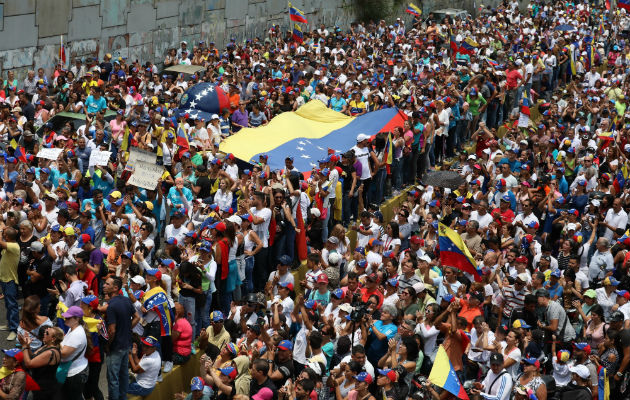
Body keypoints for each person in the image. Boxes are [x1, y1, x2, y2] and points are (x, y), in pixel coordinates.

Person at [105, 276, 139, 400]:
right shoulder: (126, 300)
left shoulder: (111, 306)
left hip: (116, 347)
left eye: (107, 284)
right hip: (126, 344)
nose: (104, 286)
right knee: (123, 374)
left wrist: (108, 345)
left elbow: (112, 330)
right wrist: (127, 328)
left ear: (115, 288)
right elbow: (137, 317)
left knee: (113, 378)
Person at [19, 326, 64, 400]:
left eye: (47, 333)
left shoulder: (50, 352)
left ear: (53, 339)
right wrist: (27, 345)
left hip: (45, 388)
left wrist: (24, 346)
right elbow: (33, 356)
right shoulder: (46, 346)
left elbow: (29, 364)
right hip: (39, 384)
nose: (44, 334)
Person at [59, 306, 88, 400]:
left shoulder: (77, 334)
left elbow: (63, 353)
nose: (65, 319)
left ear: (77, 319)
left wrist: (55, 340)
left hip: (75, 373)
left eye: (68, 317)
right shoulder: (72, 329)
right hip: (71, 370)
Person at [0, 227, 21, 341]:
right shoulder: (9, 244)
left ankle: (14, 329)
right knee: (8, 304)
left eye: (4, 234)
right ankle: (9, 325)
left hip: (10, 281)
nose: (3, 235)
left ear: (7, 237)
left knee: (12, 305)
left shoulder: (14, 246)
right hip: (4, 279)